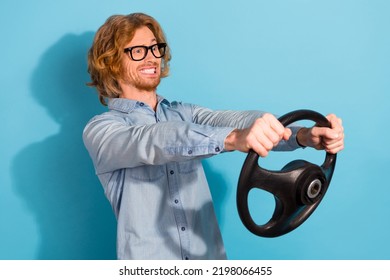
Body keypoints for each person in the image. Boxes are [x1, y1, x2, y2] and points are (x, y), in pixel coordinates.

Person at [83, 13, 344, 260]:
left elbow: (238, 120)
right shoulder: (102, 131)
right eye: (137, 51)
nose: (151, 58)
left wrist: (303, 136)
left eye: (154, 48)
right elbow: (153, 141)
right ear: (111, 62)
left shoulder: (185, 113)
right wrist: (232, 139)